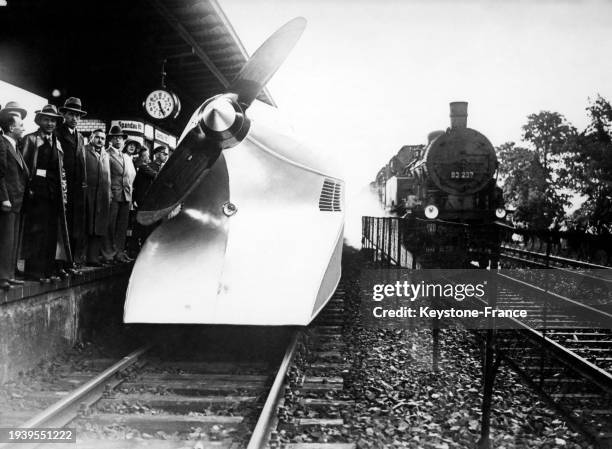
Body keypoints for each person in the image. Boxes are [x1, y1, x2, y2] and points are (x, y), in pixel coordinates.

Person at [20, 105, 72, 283]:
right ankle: (34, 272)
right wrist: (30, 189)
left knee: (51, 231)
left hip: (53, 192)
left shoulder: (57, 143)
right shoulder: (31, 139)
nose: (50, 123)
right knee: (36, 231)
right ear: (39, 121)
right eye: (46, 119)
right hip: (36, 192)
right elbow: (24, 168)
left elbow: (61, 169)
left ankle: (48, 270)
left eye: (53, 120)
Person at [56, 97, 87, 269]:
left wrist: (83, 183)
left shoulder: (81, 137)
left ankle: (71, 261)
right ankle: (61, 261)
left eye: (77, 115)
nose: (74, 118)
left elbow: (81, 161)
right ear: (64, 115)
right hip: (64, 184)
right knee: (64, 223)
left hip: (77, 187)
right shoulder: (58, 133)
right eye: (71, 115)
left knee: (76, 224)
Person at [0, 111, 28, 289]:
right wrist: (3, 198)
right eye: (21, 125)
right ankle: (2, 277)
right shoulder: (2, 144)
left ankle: (9, 274)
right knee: (5, 239)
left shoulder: (15, 145)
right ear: (11, 127)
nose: (23, 128)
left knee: (12, 240)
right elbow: (0, 174)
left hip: (17, 201)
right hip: (8, 201)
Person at [106, 125, 136, 263]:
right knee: (111, 225)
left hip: (126, 195)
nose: (118, 140)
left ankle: (119, 252)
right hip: (113, 194)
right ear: (110, 140)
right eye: (115, 138)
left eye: (120, 138)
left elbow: (132, 175)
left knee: (122, 226)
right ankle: (108, 253)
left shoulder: (126, 157)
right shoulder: (106, 154)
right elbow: (105, 175)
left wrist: (129, 191)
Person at [83, 129, 113, 266]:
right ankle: (81, 258)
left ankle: (93, 258)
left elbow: (109, 177)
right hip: (88, 194)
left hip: (103, 196)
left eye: (102, 138)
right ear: (91, 138)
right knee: (86, 225)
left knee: (99, 226)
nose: (100, 140)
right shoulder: (84, 151)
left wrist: (109, 194)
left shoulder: (106, 155)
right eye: (97, 137)